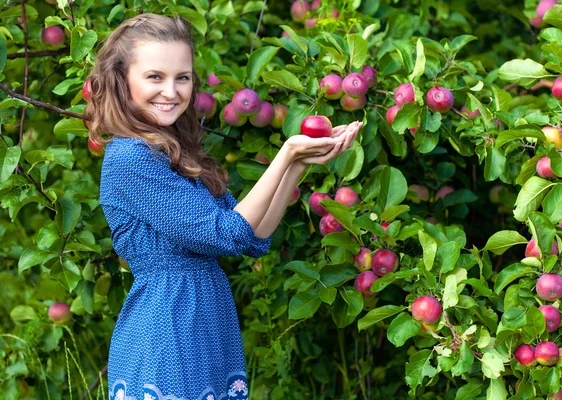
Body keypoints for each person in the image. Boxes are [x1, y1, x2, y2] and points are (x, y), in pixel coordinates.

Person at [84, 13, 361, 400]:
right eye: (154, 76)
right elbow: (226, 234)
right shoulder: (131, 158)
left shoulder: (173, 154)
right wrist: (284, 154)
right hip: (166, 333)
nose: (171, 90)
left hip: (203, 328)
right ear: (122, 79)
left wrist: (297, 165)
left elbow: (253, 238)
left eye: (182, 77)